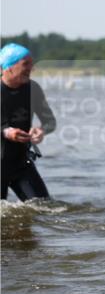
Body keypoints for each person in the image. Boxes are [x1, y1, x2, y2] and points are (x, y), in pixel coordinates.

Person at [1, 43, 56, 201]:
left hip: (20, 162)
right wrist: (6, 132)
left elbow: (50, 121)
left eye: (32, 64)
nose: (32, 68)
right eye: (26, 64)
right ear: (9, 67)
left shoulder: (33, 89)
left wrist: (42, 130)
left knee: (43, 207)